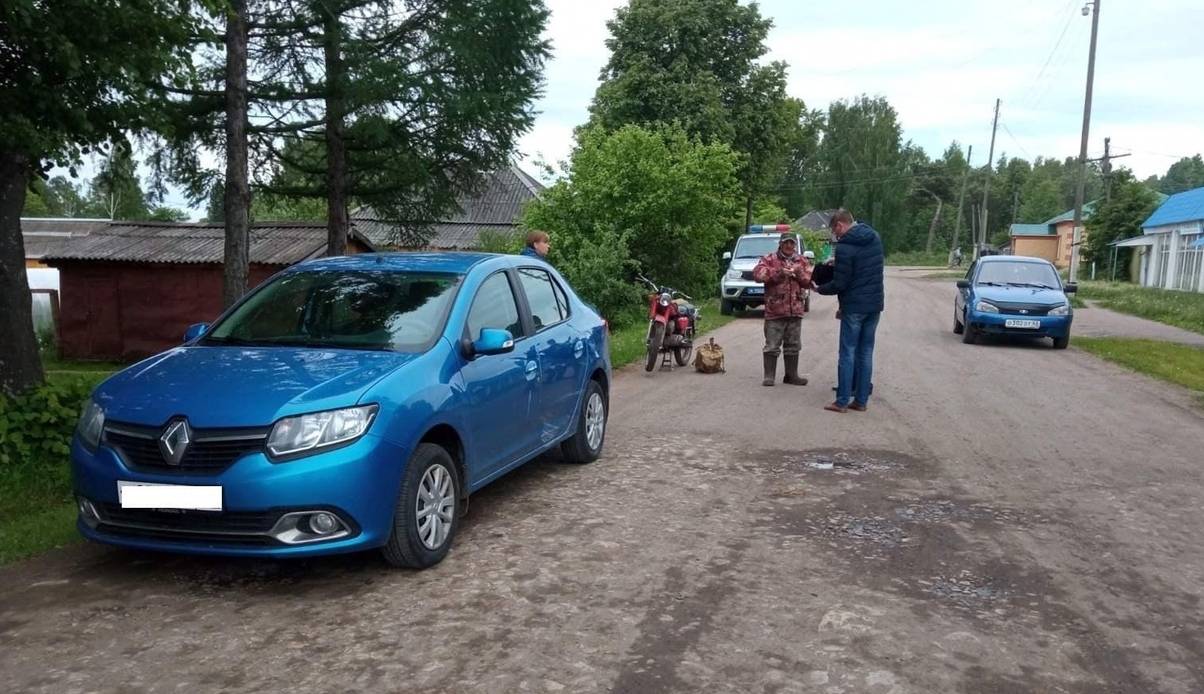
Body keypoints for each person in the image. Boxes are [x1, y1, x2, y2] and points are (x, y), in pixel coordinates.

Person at [814, 209, 884, 413]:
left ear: (840, 225)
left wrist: (819, 289)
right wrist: (839, 263)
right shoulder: (874, 237)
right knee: (866, 352)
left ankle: (842, 400)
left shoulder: (845, 246)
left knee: (847, 352)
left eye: (835, 232)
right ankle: (861, 400)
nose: (836, 237)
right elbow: (864, 266)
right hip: (874, 305)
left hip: (854, 306)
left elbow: (841, 283)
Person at [752, 234, 812, 387]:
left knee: (793, 345)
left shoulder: (802, 261)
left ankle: (791, 376)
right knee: (772, 345)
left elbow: (810, 281)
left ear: (795, 245)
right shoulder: (769, 259)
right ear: (780, 244)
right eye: (786, 243)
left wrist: (798, 273)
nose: (789, 246)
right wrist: (779, 273)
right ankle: (769, 377)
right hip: (775, 310)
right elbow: (758, 275)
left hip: (795, 310)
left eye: (792, 243)